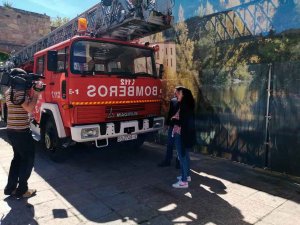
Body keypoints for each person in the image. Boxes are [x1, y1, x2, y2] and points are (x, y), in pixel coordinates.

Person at [3, 68, 44, 198]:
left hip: (12, 131)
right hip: (21, 132)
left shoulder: (9, 91)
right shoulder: (19, 92)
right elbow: (30, 108)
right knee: (27, 160)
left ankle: (10, 188)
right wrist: (37, 93)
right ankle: (22, 190)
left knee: (17, 159)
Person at [171, 87, 196, 188]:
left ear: (184, 96)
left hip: (181, 135)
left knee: (182, 158)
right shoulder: (187, 106)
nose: (177, 95)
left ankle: (184, 181)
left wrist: (173, 120)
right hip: (184, 135)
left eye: (179, 94)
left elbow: (181, 122)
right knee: (185, 156)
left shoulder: (184, 107)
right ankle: (186, 176)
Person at [158, 87, 182, 168]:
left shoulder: (186, 102)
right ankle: (167, 160)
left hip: (180, 127)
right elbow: (170, 114)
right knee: (169, 144)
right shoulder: (173, 101)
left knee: (179, 145)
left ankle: (179, 162)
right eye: (175, 92)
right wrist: (166, 125)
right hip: (172, 126)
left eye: (176, 92)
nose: (175, 93)